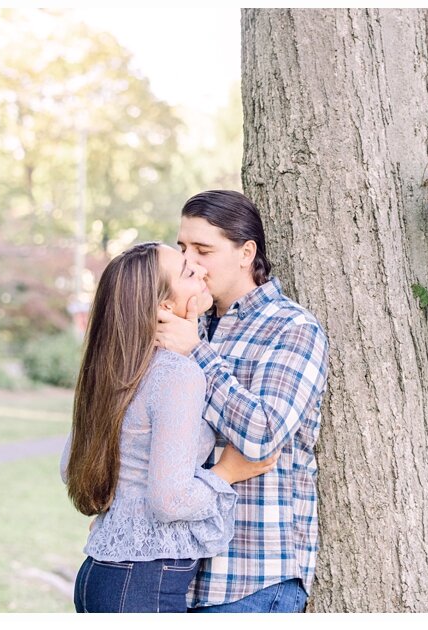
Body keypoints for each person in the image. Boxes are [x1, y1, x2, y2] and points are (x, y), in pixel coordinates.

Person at [60, 241, 278, 613]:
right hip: (142, 584)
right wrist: (226, 473)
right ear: (163, 306)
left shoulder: (119, 368)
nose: (201, 271)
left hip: (102, 575)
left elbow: (71, 467)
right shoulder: (177, 373)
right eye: (188, 272)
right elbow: (169, 500)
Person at [155, 190, 328, 613]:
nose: (190, 261)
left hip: (252, 577)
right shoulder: (188, 323)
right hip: (173, 573)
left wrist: (195, 354)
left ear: (245, 253)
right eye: (182, 248)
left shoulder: (293, 328)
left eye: (203, 249)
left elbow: (264, 435)